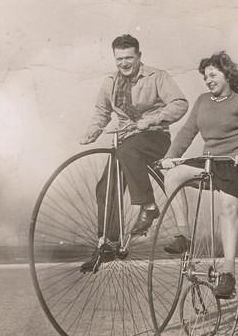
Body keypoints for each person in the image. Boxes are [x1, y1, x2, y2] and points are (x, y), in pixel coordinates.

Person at [159, 51, 238, 298]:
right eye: (205, 76)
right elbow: (187, 132)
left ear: (228, 74)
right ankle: (183, 235)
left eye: (213, 74)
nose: (208, 80)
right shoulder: (203, 101)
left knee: (227, 208)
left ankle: (228, 274)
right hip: (211, 163)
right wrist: (169, 157)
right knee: (172, 176)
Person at [79, 34, 188, 270]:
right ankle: (108, 242)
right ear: (114, 58)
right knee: (105, 186)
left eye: (129, 58)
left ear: (139, 56)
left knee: (128, 150)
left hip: (155, 138)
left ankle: (148, 206)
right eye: (119, 59)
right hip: (126, 143)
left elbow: (180, 103)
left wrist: (151, 121)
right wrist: (93, 132)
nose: (124, 64)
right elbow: (101, 111)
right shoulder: (110, 82)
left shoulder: (157, 77)